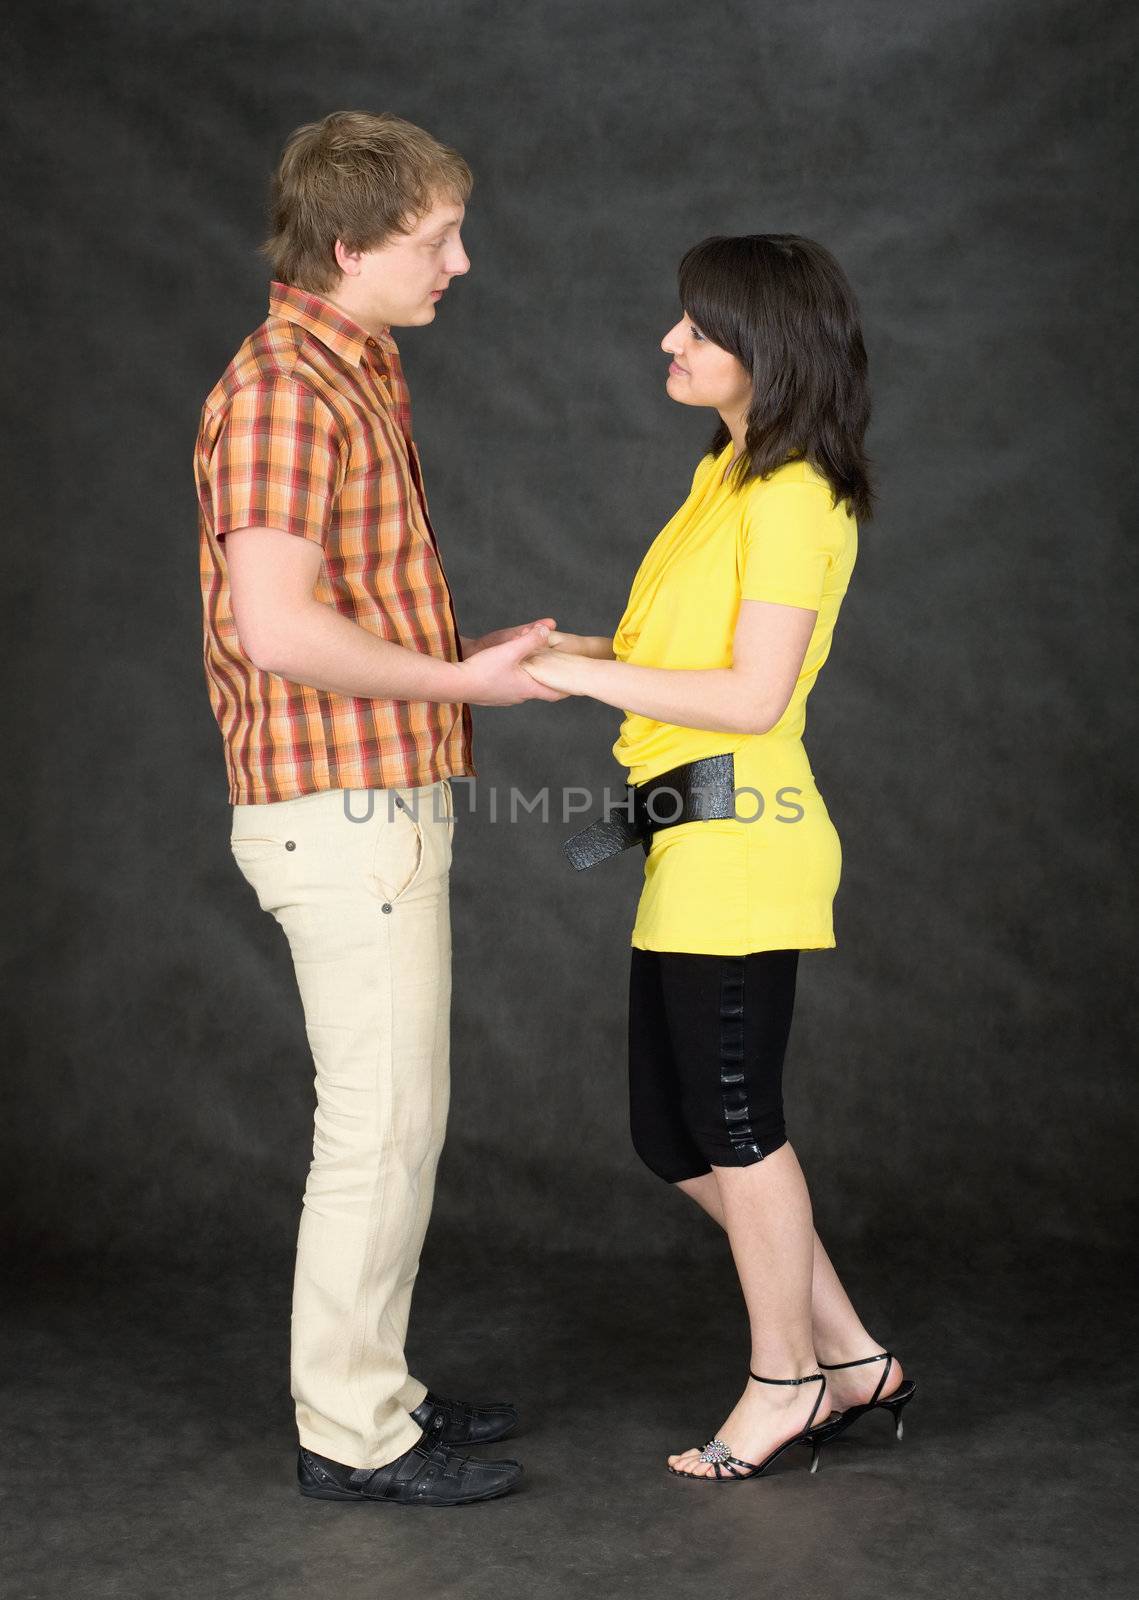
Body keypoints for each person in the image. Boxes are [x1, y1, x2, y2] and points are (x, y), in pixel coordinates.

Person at [193, 110, 564, 1507]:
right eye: (433, 240)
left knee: (402, 1118)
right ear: (345, 248)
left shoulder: (354, 363)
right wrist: (457, 678)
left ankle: (375, 1390)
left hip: (379, 799)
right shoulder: (287, 390)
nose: (460, 263)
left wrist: (468, 682)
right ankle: (351, 1435)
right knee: (379, 1126)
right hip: (338, 808)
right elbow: (279, 630)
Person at [522, 234, 917, 1481]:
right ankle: (852, 1356)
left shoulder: (798, 497)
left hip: (745, 837)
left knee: (739, 1127)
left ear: (769, 348)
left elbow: (748, 697)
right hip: (684, 831)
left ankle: (784, 1379)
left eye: (696, 327)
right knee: (671, 1133)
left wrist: (573, 675)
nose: (668, 342)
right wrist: (547, 648)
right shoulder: (728, 473)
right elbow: (675, 654)